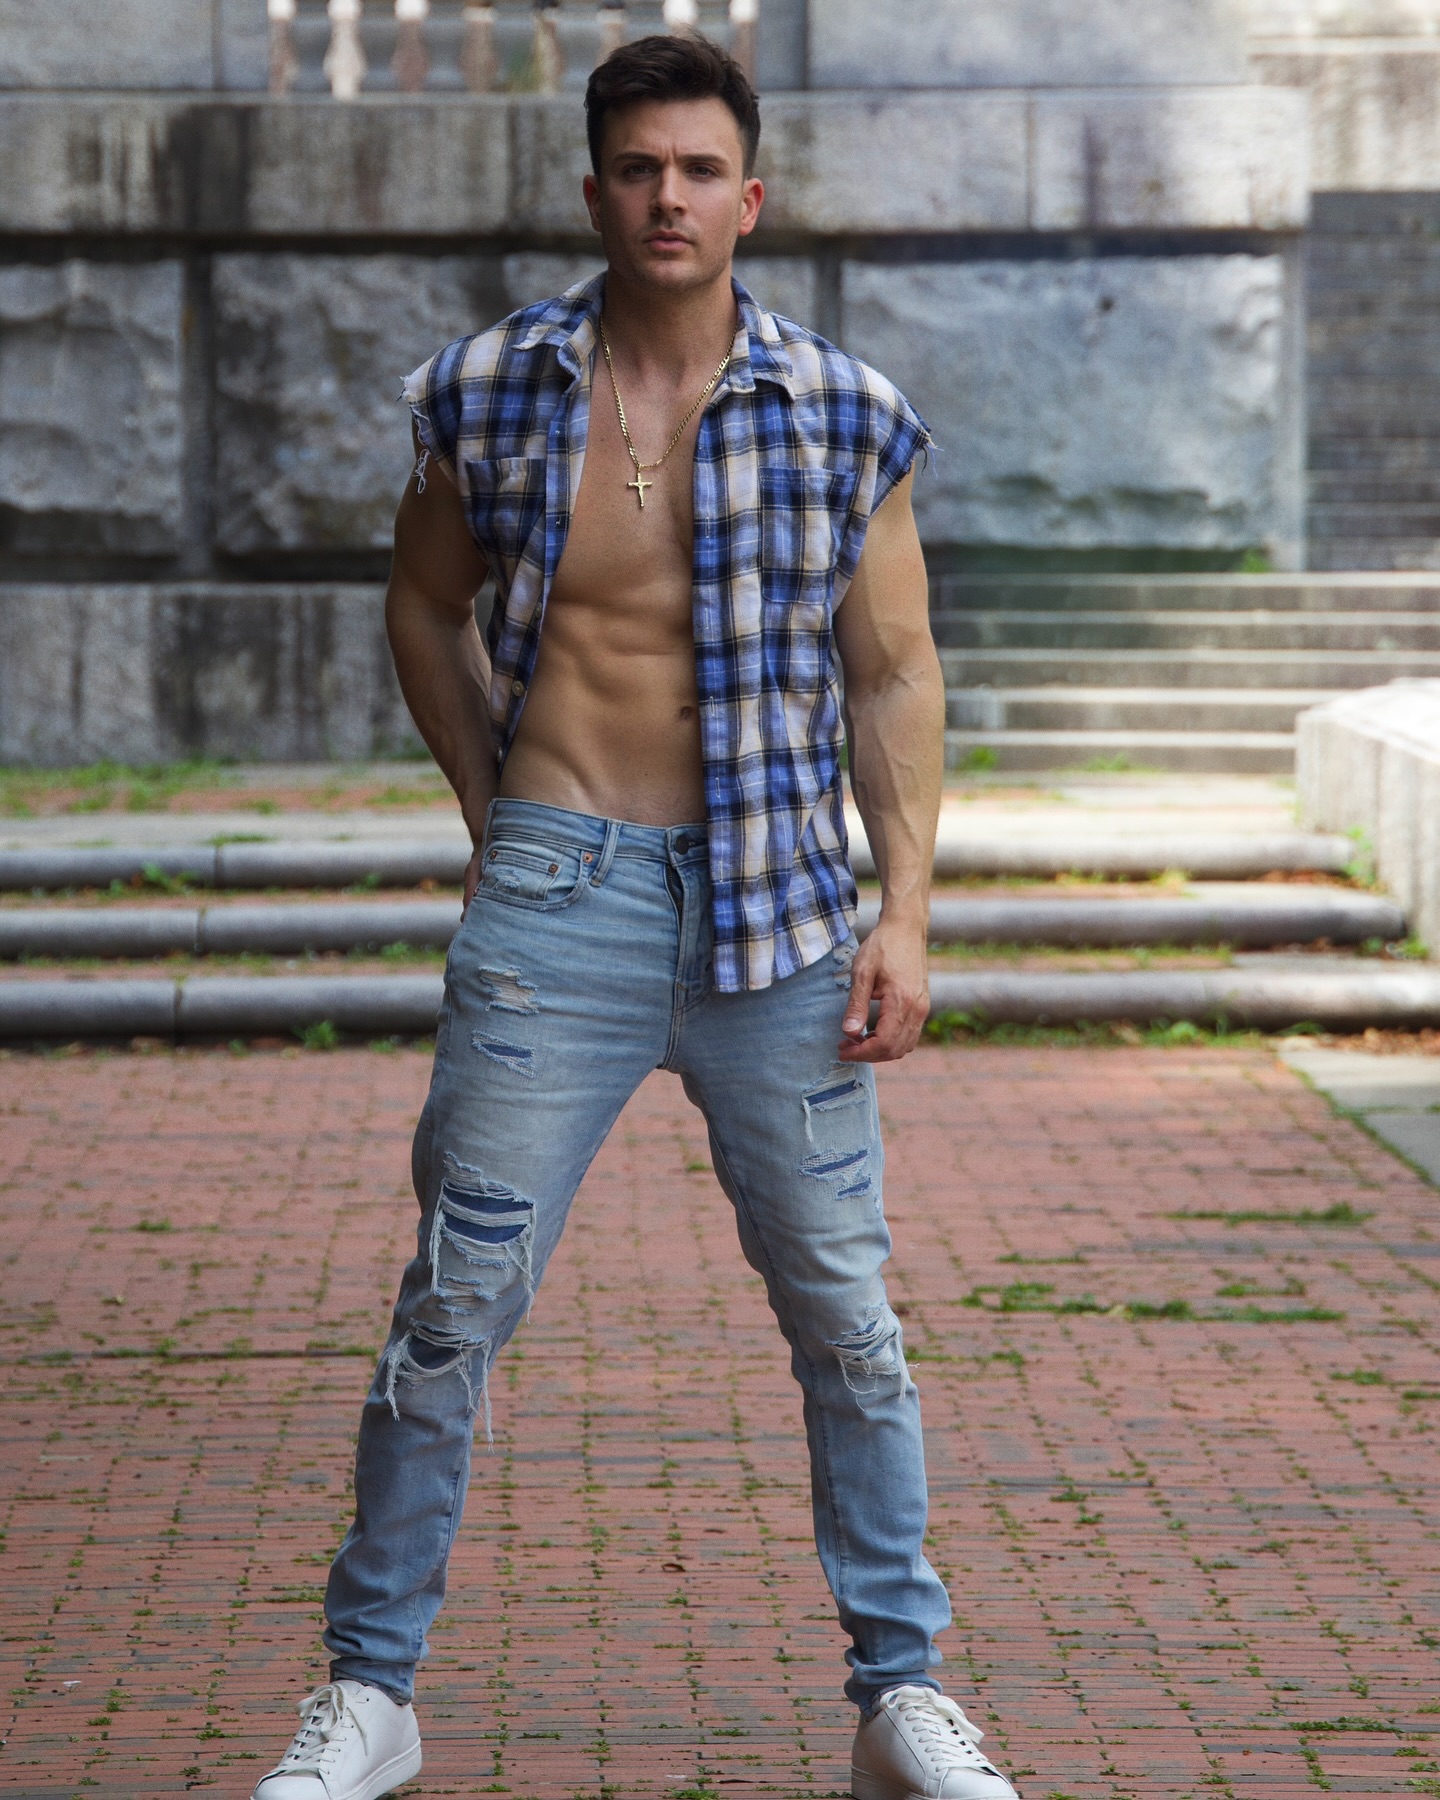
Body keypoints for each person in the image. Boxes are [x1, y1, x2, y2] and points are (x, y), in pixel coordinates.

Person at [253, 32, 1017, 1800]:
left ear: (751, 198)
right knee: (455, 1300)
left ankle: (901, 1697)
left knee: (846, 1316)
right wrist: (494, 812)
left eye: (699, 169)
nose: (668, 196)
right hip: (560, 893)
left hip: (781, 917)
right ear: (594, 190)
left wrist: (907, 912)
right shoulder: (488, 391)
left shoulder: (845, 410)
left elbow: (894, 668)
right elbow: (423, 606)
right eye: (638, 167)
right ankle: (372, 1694)